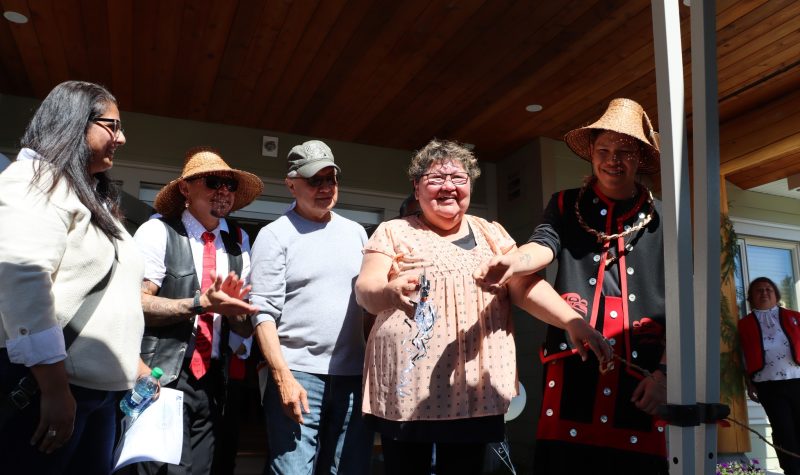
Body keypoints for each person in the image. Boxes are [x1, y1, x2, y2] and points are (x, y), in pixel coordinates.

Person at [356, 139, 610, 475]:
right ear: (416, 188)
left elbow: (525, 285)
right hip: (409, 387)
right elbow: (366, 290)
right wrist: (389, 292)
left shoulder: (492, 234)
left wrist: (572, 322)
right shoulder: (393, 231)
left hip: (474, 388)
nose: (449, 186)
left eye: (459, 179)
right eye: (435, 179)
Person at [474, 98, 668, 474]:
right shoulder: (565, 205)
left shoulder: (662, 218)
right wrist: (515, 259)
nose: (612, 160)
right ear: (592, 154)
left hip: (642, 375)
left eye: (624, 151)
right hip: (573, 363)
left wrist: (665, 376)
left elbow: (684, 306)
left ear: (640, 158)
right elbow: (542, 246)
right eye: (604, 150)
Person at [0, 81, 151, 474]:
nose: (122, 137)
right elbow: (23, 282)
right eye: (112, 125)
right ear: (73, 121)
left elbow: (111, 294)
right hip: (50, 390)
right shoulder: (35, 179)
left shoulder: (92, 196)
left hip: (100, 396)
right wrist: (52, 388)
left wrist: (133, 364)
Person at [131, 147, 262, 475]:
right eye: (214, 181)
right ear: (185, 189)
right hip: (161, 374)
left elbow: (245, 327)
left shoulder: (238, 240)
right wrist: (199, 304)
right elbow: (134, 303)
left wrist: (236, 312)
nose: (223, 191)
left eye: (230, 186)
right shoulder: (158, 231)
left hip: (215, 380)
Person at [250, 140, 373, 474]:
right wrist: (282, 377)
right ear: (291, 184)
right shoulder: (275, 235)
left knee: (347, 468)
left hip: (352, 376)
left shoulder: (357, 233)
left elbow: (367, 308)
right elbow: (262, 313)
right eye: (314, 180)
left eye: (330, 179)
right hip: (299, 375)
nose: (325, 188)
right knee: (293, 470)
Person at [739, 277, 800, 475]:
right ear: (750, 298)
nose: (764, 293)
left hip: (797, 380)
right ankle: (792, 470)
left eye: (768, 289)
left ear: (776, 294)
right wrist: (749, 383)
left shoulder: (795, 316)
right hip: (769, 386)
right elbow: (742, 356)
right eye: (758, 290)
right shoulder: (744, 324)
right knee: (784, 430)